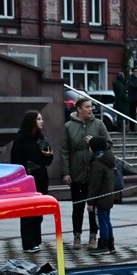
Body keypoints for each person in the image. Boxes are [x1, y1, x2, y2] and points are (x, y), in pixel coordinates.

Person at [59, 97, 110, 249]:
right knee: (78, 206)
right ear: (79, 109)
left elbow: (108, 143)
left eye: (91, 107)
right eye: (87, 107)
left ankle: (93, 236)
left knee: (93, 206)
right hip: (77, 173)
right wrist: (66, 172)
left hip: (95, 172)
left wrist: (95, 142)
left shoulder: (98, 124)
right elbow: (64, 151)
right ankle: (77, 236)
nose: (90, 109)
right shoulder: (68, 126)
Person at [10, 109, 53, 251]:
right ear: (32, 121)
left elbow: (48, 159)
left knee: (38, 211)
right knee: (28, 212)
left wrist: (48, 156)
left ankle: (36, 239)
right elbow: (16, 161)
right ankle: (28, 242)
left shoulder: (41, 138)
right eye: (39, 119)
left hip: (41, 177)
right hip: (27, 179)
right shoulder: (21, 139)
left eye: (41, 118)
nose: (42, 121)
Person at [86, 136, 117, 254]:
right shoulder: (108, 160)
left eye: (90, 147)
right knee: (107, 220)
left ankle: (103, 245)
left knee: (102, 221)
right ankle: (110, 245)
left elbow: (94, 185)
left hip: (101, 197)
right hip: (108, 196)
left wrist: (90, 201)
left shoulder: (97, 164)